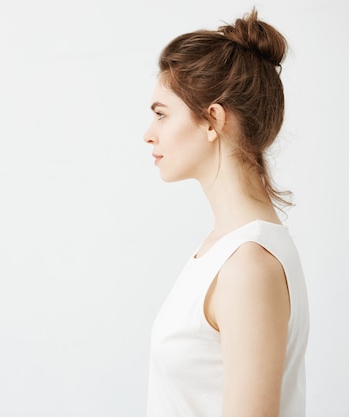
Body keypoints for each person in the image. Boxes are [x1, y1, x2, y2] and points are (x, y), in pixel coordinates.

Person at [143, 6, 309, 417]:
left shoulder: (248, 267)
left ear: (212, 119)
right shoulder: (224, 249)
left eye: (162, 114)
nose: (149, 134)